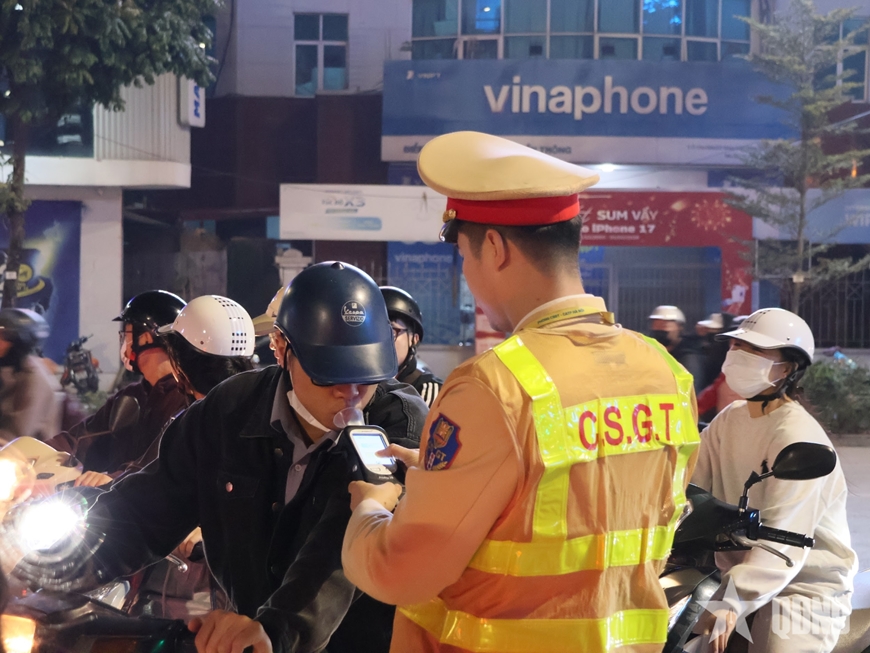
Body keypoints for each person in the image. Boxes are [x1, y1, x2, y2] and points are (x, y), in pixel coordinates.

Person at [341, 131, 700, 653]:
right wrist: (462, 479)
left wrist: (372, 508)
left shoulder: (496, 386)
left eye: (463, 255)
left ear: (494, 247)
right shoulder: (667, 375)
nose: (467, 275)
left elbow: (399, 571)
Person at [32, 262, 426, 653]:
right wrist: (40, 566)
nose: (351, 391)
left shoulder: (399, 425)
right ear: (281, 348)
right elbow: (143, 511)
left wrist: (275, 631)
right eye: (329, 373)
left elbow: (341, 547)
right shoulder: (229, 410)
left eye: (366, 375)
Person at [691, 308, 856, 653]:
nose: (738, 355)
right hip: (734, 578)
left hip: (802, 586)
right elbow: (690, 486)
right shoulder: (729, 420)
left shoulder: (798, 437)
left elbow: (785, 539)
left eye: (755, 350)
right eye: (737, 346)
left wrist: (733, 600)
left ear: (786, 369)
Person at [46, 290, 189, 487]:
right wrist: (29, 455)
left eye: (127, 334)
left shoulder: (186, 400)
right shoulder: (131, 396)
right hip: (113, 502)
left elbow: (159, 464)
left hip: (149, 503)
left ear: (146, 338)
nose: (124, 342)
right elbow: (80, 438)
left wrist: (114, 478)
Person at [0, 309, 60, 443]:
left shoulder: (34, 378)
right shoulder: (8, 369)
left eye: (3, 335)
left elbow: (18, 434)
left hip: (30, 451)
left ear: (18, 341)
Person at [380, 286, 443, 407]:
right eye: (373, 332)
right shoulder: (353, 390)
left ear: (414, 339)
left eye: (391, 332)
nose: (381, 341)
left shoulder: (428, 394)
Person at [649, 304, 704, 393]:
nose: (660, 330)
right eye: (656, 325)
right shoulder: (650, 352)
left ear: (679, 327)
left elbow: (690, 389)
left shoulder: (688, 357)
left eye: (665, 326)